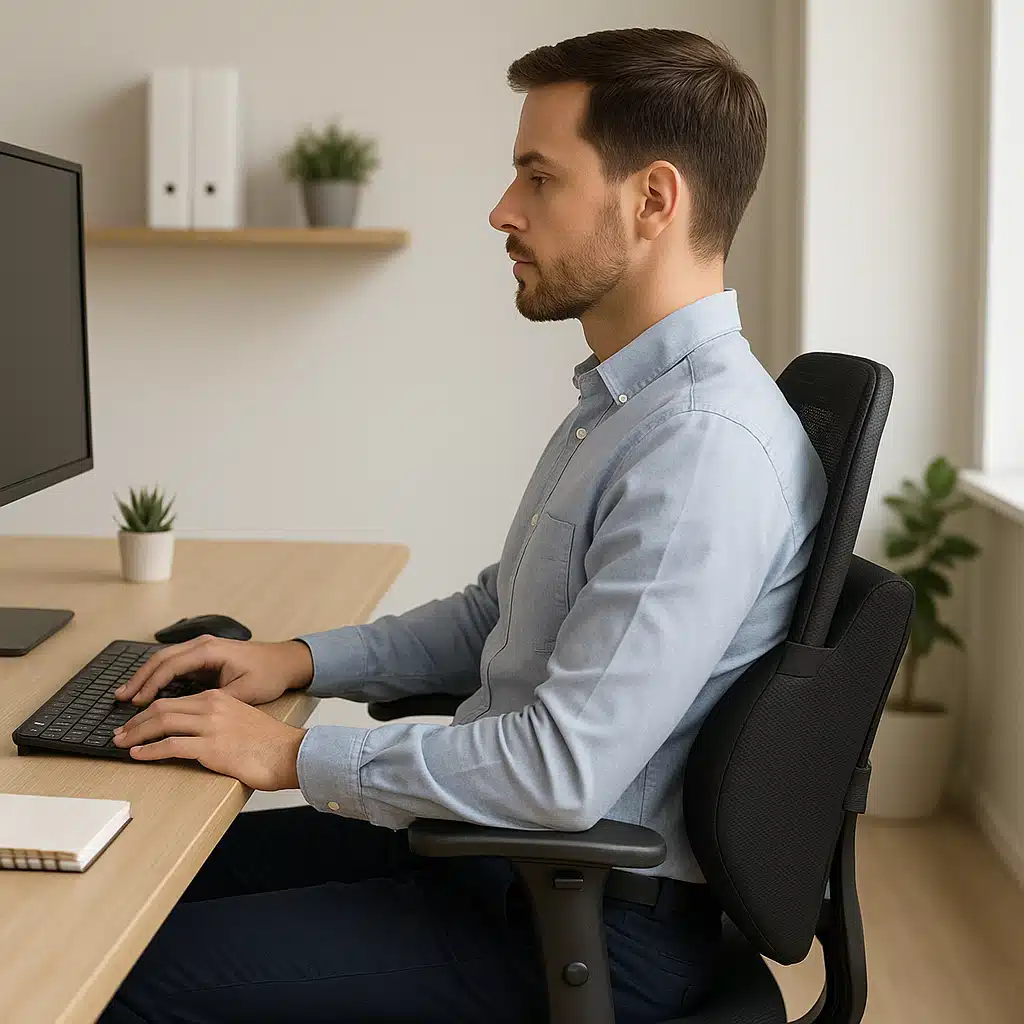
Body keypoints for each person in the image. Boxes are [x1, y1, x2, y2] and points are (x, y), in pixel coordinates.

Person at [98, 26, 826, 1024]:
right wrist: (297, 660)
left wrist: (289, 755)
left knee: (109, 978)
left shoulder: (701, 448)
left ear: (653, 200)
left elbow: (560, 770)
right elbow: (500, 615)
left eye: (539, 177)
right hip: (500, 861)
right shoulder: (630, 408)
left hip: (575, 926)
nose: (502, 209)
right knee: (120, 883)